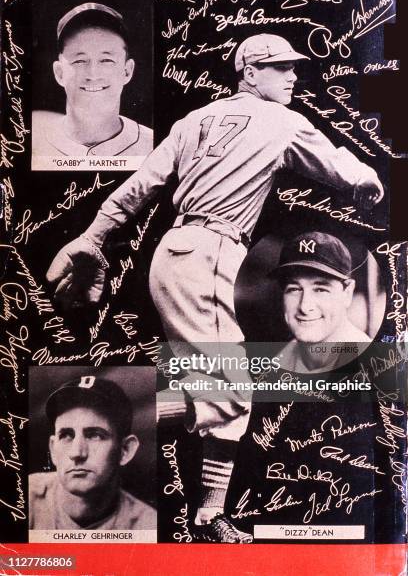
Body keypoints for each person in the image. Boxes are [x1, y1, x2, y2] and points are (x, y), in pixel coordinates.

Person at [47, 34, 384, 542]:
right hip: (208, 253)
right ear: (249, 72)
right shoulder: (282, 121)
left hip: (174, 252)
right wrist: (371, 182)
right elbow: (345, 170)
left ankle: (197, 500)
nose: (293, 76)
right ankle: (161, 466)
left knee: (216, 387)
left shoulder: (194, 119)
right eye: (280, 68)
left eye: (294, 67)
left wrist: (94, 236)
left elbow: (140, 186)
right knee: (231, 391)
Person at [29, 374, 156, 531]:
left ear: (125, 450)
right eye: (66, 435)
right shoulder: (25, 498)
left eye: (95, 435)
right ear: (53, 449)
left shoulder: (149, 526)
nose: (77, 453)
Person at [32, 2, 153, 158]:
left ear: (127, 71)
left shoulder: (156, 148)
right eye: (80, 61)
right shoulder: (34, 146)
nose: (93, 74)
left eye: (106, 60)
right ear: (59, 72)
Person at [274, 231, 372, 373]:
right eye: (294, 289)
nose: (305, 306)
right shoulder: (279, 363)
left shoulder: (373, 366)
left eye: (320, 290)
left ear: (347, 293)